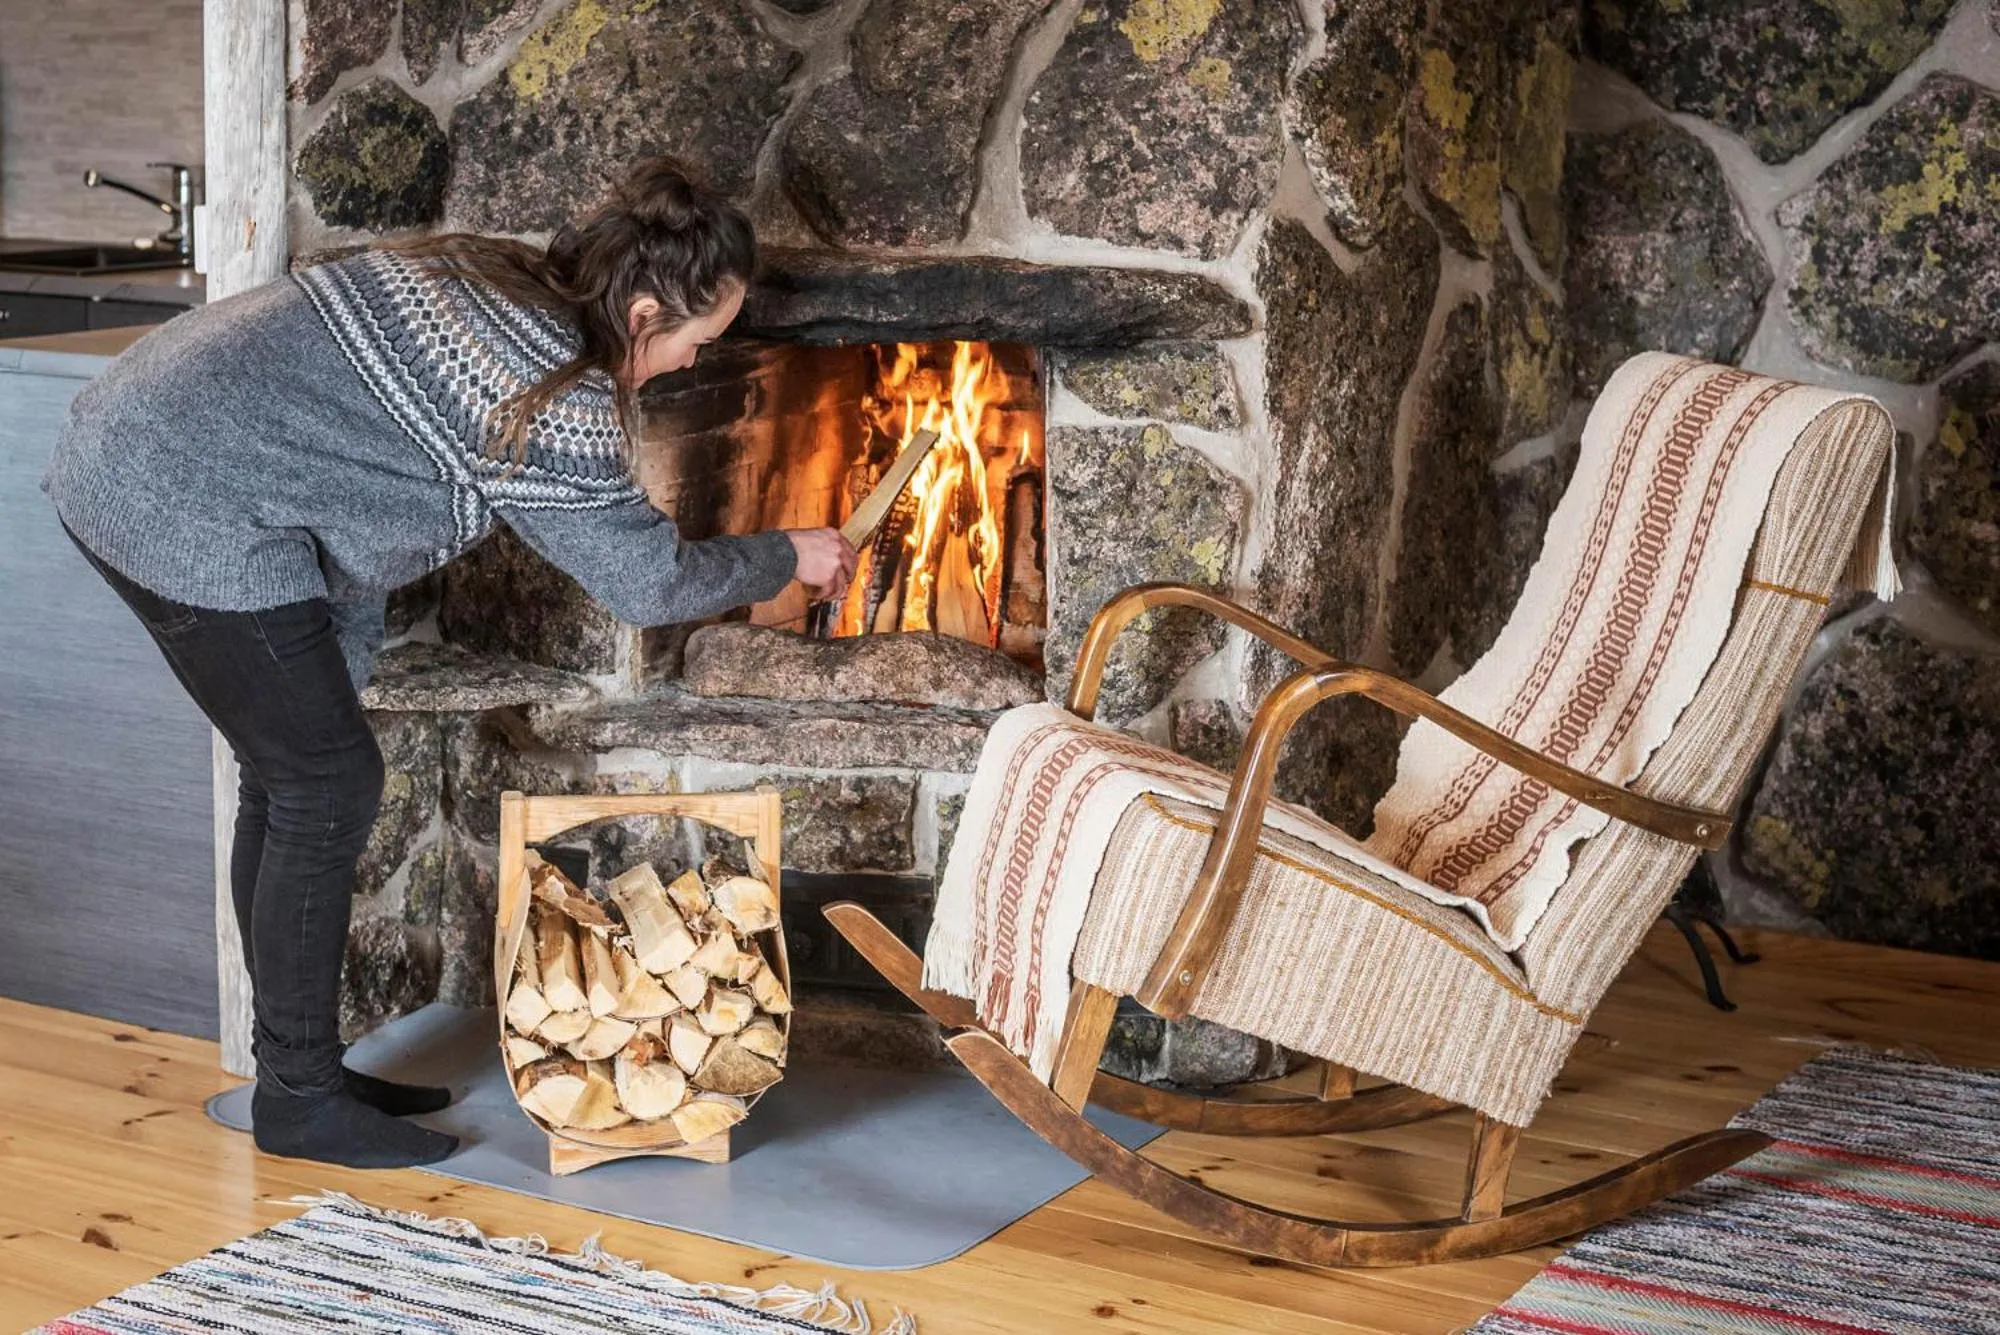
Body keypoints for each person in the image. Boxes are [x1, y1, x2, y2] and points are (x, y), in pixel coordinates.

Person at [42, 157, 857, 1170]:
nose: (691, 365)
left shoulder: (492, 274)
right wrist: (790, 554)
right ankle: (296, 1101)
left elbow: (344, 461)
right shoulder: (548, 391)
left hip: (147, 440)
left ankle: (297, 1071)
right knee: (325, 783)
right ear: (646, 311)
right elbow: (646, 585)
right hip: (174, 494)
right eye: (697, 341)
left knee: (297, 776)